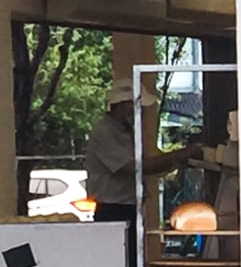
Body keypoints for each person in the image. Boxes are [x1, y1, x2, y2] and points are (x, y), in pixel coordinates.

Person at [81, 90, 193, 228]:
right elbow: (133, 167)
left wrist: (176, 160)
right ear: (122, 105)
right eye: (136, 105)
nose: (140, 111)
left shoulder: (125, 131)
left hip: (128, 205)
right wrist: (176, 155)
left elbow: (147, 163)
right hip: (113, 208)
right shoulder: (105, 132)